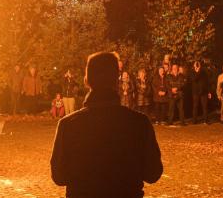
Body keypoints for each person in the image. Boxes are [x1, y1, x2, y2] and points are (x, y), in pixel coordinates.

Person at [50, 52, 163, 197]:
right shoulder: (139, 123)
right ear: (117, 80)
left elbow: (59, 177)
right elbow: (153, 173)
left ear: (87, 81)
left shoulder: (68, 125)